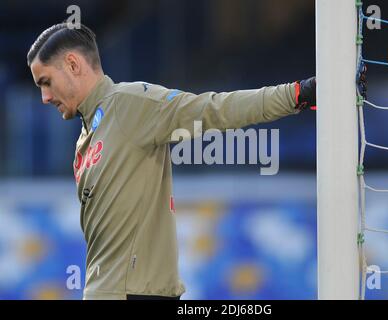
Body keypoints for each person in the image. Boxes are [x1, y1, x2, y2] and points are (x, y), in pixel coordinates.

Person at [27, 22, 318, 300]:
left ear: (74, 65)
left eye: (46, 82)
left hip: (135, 293)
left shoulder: (131, 104)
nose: (44, 96)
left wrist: (296, 94)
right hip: (110, 291)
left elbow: (214, 109)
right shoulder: (85, 138)